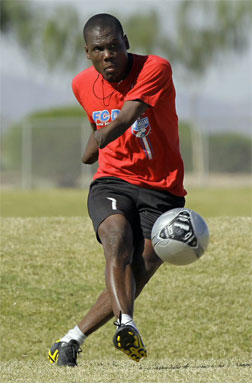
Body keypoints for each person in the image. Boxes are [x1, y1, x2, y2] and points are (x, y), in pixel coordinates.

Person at [48, 13, 186, 366]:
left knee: (140, 266)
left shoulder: (155, 68)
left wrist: (89, 148)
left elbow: (124, 118)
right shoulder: (81, 84)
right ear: (87, 52)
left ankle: (70, 340)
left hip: (162, 186)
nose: (108, 55)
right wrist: (96, 149)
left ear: (125, 42)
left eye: (113, 46)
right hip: (113, 180)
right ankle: (126, 323)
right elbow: (98, 120)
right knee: (116, 240)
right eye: (99, 49)